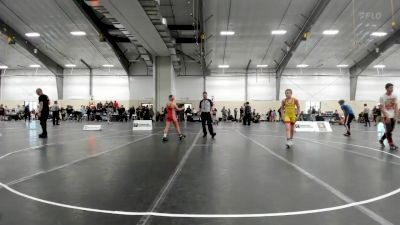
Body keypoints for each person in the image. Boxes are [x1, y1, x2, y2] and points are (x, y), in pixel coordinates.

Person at [379, 83, 398, 150]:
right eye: (390, 88)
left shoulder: (394, 96)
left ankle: (381, 139)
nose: (391, 89)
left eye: (392, 88)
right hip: (386, 115)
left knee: (391, 130)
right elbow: (381, 108)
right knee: (388, 131)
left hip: (393, 115)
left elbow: (396, 106)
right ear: (386, 88)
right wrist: (386, 116)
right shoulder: (382, 97)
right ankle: (391, 144)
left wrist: (396, 115)